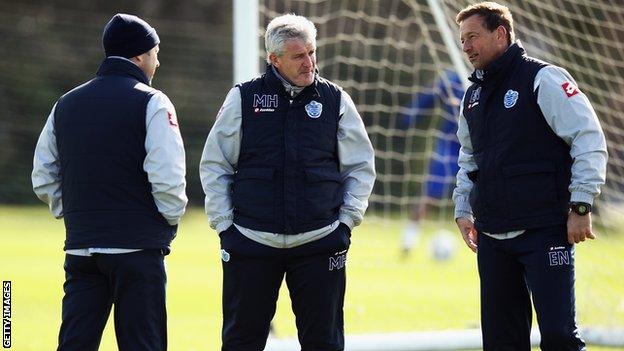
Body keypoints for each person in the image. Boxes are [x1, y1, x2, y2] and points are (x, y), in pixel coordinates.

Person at [200, 14, 375, 351]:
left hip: (320, 239)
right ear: (274, 59)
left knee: (324, 342)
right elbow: (215, 164)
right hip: (251, 240)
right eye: (298, 56)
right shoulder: (243, 98)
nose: (309, 62)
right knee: (241, 341)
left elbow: (361, 167)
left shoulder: (336, 100)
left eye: (311, 52)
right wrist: (225, 227)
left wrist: (346, 222)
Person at [452, 2, 607, 350]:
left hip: (544, 230)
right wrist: (462, 208)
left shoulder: (544, 78)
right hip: (492, 235)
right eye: (462, 40)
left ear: (501, 34)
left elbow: (588, 138)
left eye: (473, 37)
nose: (466, 47)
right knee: (501, 342)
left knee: (558, 338)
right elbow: (469, 158)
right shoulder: (472, 96)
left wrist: (581, 205)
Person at [32, 13, 187, 351]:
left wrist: (74, 213)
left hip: (81, 249)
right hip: (137, 251)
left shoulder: (65, 104)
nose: (157, 62)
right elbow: (168, 179)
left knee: (74, 344)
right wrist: (166, 220)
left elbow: (43, 176)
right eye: (155, 53)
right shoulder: (153, 101)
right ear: (139, 55)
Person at [400, 69, 464, 256]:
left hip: (479, 147)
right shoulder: (453, 79)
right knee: (429, 195)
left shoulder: (493, 74)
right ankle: (408, 241)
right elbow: (429, 96)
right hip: (450, 146)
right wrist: (413, 112)